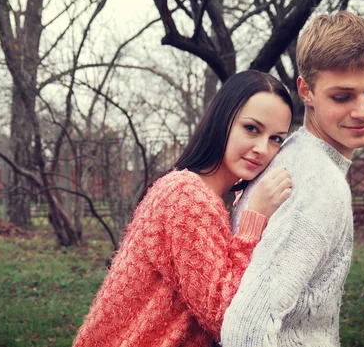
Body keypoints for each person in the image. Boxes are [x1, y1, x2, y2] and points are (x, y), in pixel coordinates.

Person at [73, 70, 294, 347]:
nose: (263, 148)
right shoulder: (185, 196)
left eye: (276, 139)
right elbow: (226, 316)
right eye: (252, 128)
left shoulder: (204, 195)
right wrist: (254, 220)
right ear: (222, 121)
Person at [221, 11, 364, 346]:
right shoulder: (319, 184)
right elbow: (246, 330)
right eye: (342, 97)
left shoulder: (291, 152)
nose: (362, 112)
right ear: (306, 91)